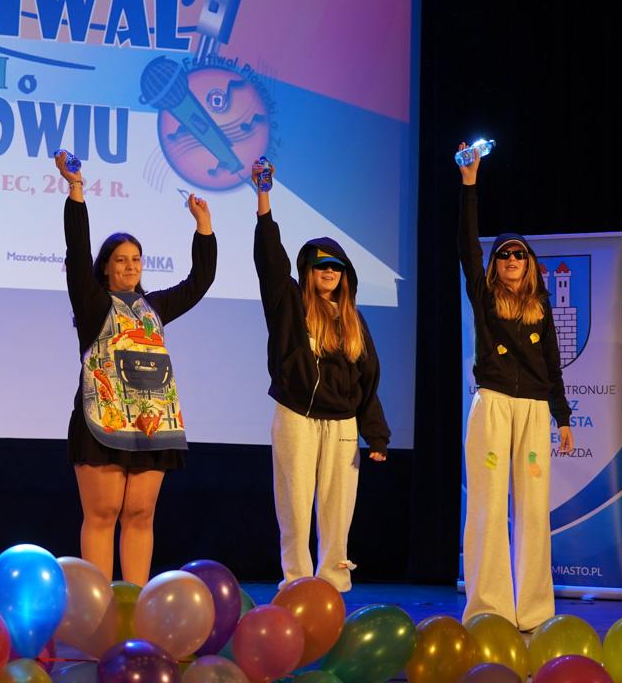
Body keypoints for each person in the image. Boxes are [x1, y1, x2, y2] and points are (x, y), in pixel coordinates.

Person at [58, 152, 216, 586]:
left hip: (152, 423)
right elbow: (77, 252)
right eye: (121, 259)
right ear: (106, 267)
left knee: (141, 514)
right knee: (104, 512)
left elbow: (199, 282)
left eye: (136, 259)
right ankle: (100, 603)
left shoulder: (155, 307)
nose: (130, 266)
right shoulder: (92, 304)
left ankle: (137, 600)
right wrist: (76, 190)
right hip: (103, 420)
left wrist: (203, 226)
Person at [250, 160, 389, 593]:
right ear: (308, 271)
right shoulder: (289, 306)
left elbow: (367, 381)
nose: (329, 272)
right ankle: (296, 581)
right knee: (294, 504)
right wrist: (264, 200)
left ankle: (333, 584)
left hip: (342, 423)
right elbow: (270, 262)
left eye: (337, 267)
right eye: (321, 266)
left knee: (338, 509)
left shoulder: (354, 321)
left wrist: (376, 434)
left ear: (345, 276)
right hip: (297, 415)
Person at [458, 144, 572, 631]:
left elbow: (552, 364)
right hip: (494, 405)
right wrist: (470, 184)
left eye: (518, 254)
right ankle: (489, 606)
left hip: (533, 411)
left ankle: (534, 610)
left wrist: (562, 417)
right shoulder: (484, 298)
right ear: (495, 264)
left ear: (529, 264)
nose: (510, 259)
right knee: (487, 504)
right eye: (503, 254)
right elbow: (467, 247)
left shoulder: (540, 309)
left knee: (532, 509)